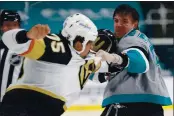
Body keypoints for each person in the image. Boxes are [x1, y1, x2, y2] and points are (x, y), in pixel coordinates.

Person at [0, 13, 108, 116]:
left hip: (47, 109)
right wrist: (26, 35)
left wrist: (115, 60)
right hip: (26, 104)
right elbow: (9, 40)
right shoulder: (54, 45)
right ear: (79, 41)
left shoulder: (87, 60)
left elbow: (104, 67)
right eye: (90, 43)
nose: (91, 48)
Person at [95, 4, 172, 116]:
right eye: (116, 21)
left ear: (135, 24)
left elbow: (140, 64)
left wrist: (112, 58)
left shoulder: (130, 39)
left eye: (125, 21)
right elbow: (111, 71)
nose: (119, 25)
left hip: (128, 104)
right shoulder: (141, 39)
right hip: (152, 107)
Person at [0, 10, 23, 103]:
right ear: (1, 27)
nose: (11, 28)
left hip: (17, 104)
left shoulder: (27, 50)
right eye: (7, 25)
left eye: (14, 25)